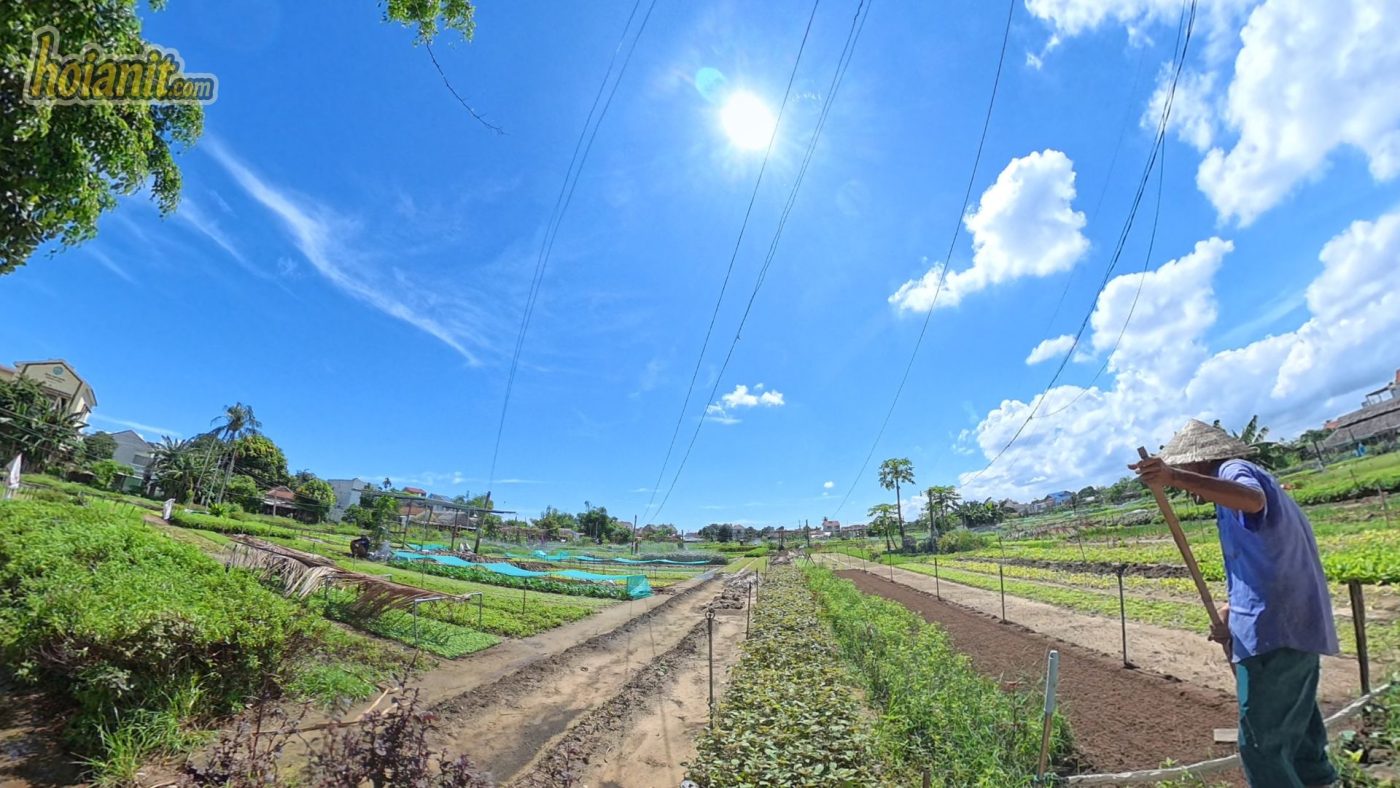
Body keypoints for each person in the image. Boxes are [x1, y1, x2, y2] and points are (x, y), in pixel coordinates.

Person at [1130, 418, 1339, 788]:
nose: (1183, 484)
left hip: (1275, 629)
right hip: (1289, 620)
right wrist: (1231, 612)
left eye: (1183, 468)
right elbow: (1261, 562)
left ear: (1195, 462)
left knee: (1261, 744)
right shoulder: (1228, 495)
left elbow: (1252, 498)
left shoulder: (1234, 472)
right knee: (1299, 732)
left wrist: (1173, 477)